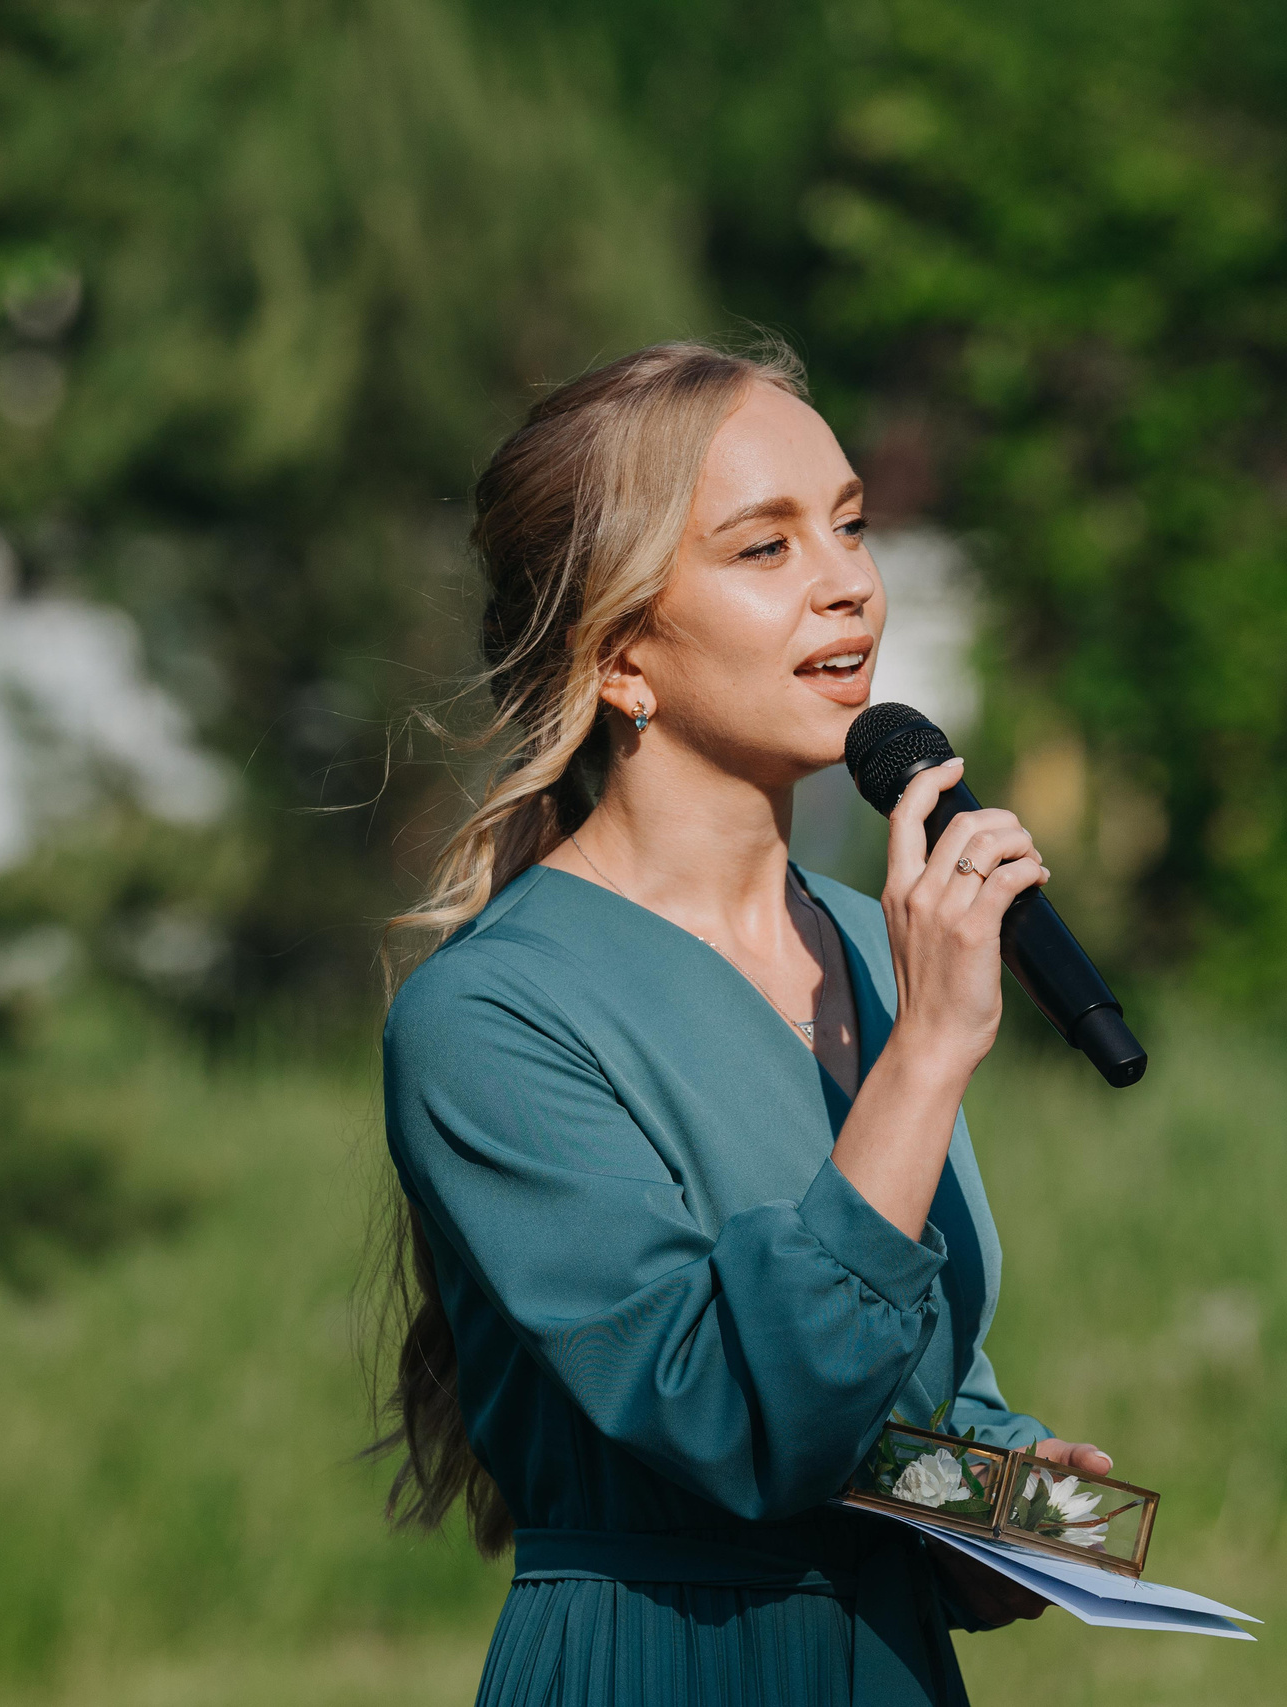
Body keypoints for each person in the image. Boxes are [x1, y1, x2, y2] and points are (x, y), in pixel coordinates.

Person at [377, 341, 1117, 1706]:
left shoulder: (875, 949)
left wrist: (1015, 1510)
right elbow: (740, 1416)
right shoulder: (491, 1015)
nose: (848, 582)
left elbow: (890, 1415)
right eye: (765, 547)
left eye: (850, 525)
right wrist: (929, 1054)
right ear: (620, 655)